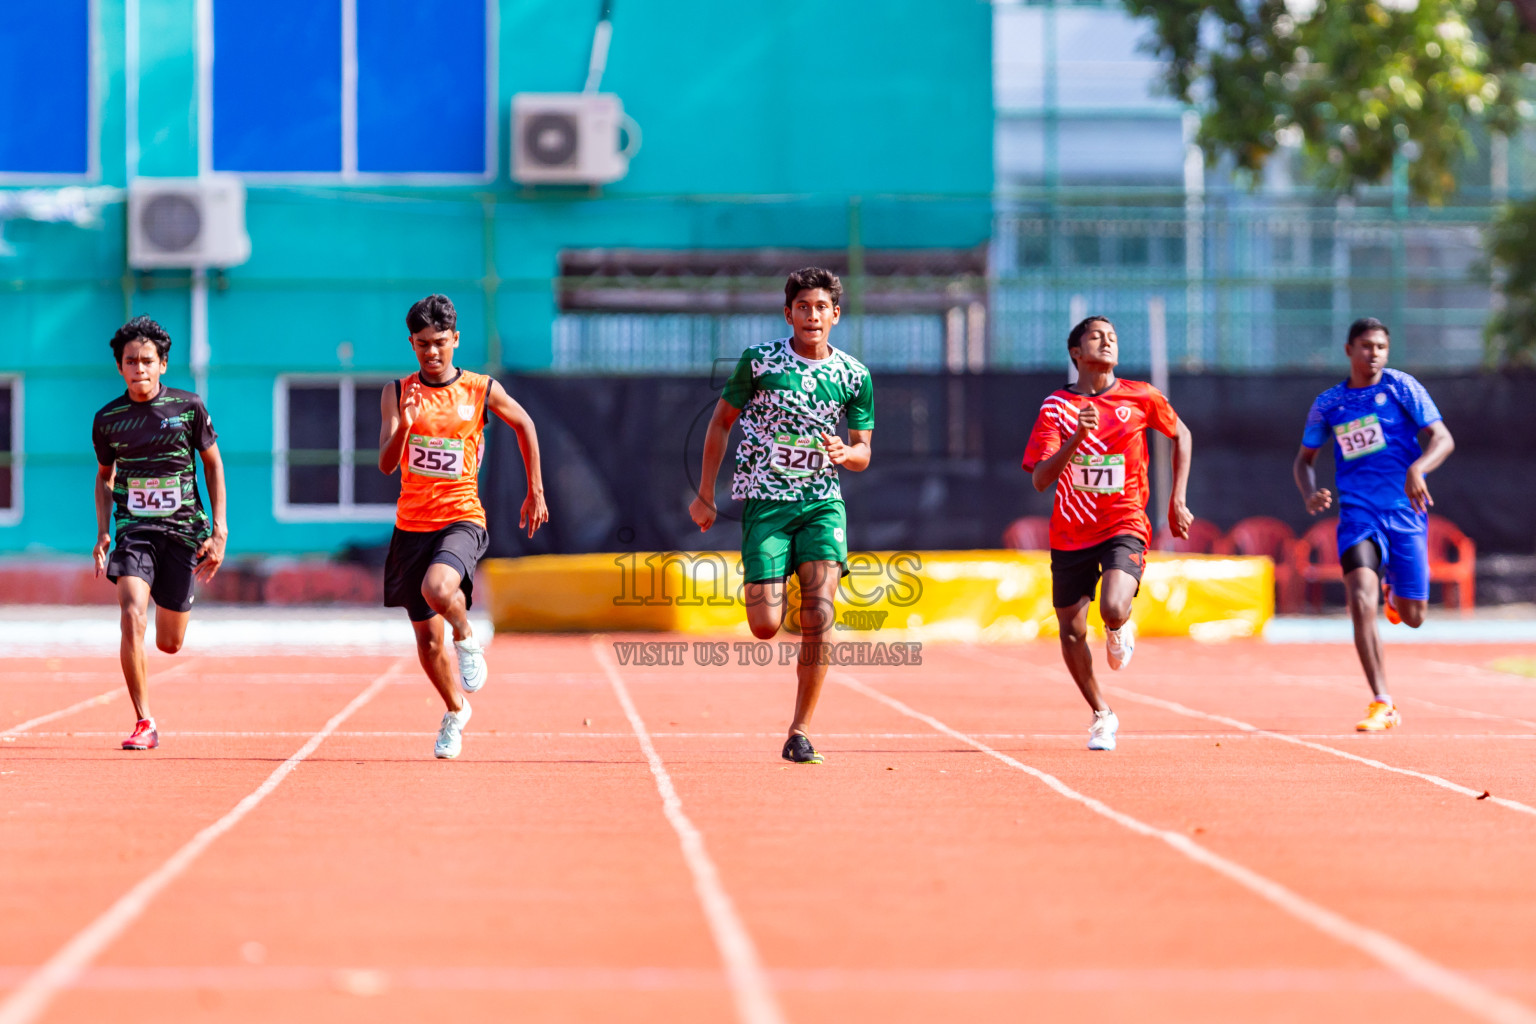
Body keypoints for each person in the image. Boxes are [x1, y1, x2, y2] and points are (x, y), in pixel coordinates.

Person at [689, 267, 874, 764]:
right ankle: (773, 577)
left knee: (819, 613)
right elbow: (720, 424)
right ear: (788, 313)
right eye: (803, 307)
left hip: (821, 504)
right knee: (767, 625)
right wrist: (706, 494)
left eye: (821, 307)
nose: (812, 316)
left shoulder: (853, 375)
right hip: (766, 504)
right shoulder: (760, 361)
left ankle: (800, 730)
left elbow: (863, 454)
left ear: (836, 314)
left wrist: (844, 453)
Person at [378, 294, 548, 759]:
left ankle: (468, 637)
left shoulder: (479, 389)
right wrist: (405, 426)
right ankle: (455, 712)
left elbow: (525, 424)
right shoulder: (397, 392)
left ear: (455, 339)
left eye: (438, 343)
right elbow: (386, 464)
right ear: (411, 344)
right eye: (421, 345)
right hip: (411, 526)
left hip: (460, 517)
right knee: (427, 642)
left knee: (439, 588)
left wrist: (535, 489)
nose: (431, 353)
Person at [1022, 316, 1193, 752]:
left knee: (1114, 608)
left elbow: (1182, 434)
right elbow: (1041, 479)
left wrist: (1177, 500)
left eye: (1114, 336)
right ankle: (1102, 715)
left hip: (1124, 521)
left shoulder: (1140, 396)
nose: (1108, 341)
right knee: (1072, 631)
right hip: (1070, 531)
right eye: (1097, 336)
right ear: (1076, 352)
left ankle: (1118, 626)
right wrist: (1076, 437)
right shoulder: (1056, 407)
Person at [1294, 317, 1454, 732]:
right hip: (1358, 515)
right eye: (1366, 346)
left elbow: (1442, 438)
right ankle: (1382, 700)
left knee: (1414, 616)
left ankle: (1394, 592)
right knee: (1360, 600)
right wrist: (1309, 491)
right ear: (1349, 350)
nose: (1375, 354)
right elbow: (1304, 460)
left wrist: (1418, 468)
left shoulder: (1402, 388)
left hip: (1405, 514)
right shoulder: (1329, 404)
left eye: (1381, 346)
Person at [91, 316, 227, 751]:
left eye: (147, 360)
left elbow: (213, 466)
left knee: (169, 642)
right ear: (119, 367)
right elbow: (103, 476)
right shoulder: (109, 420)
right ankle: (144, 721)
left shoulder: (189, 408)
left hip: (184, 532)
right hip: (134, 531)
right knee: (131, 610)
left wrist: (219, 530)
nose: (139, 369)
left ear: (163, 364)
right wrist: (103, 533)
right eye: (130, 361)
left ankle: (168, 596)